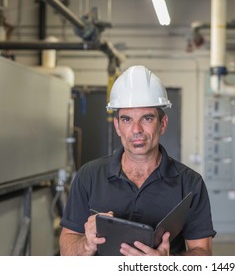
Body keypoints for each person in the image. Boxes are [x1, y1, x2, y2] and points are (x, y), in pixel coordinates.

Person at [59, 65, 216, 256]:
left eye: (147, 118)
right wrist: (86, 244)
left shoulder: (190, 183)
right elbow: (67, 245)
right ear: (117, 126)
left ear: (163, 124)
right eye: (126, 120)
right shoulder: (89, 176)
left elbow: (202, 252)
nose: (136, 130)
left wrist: (169, 265)